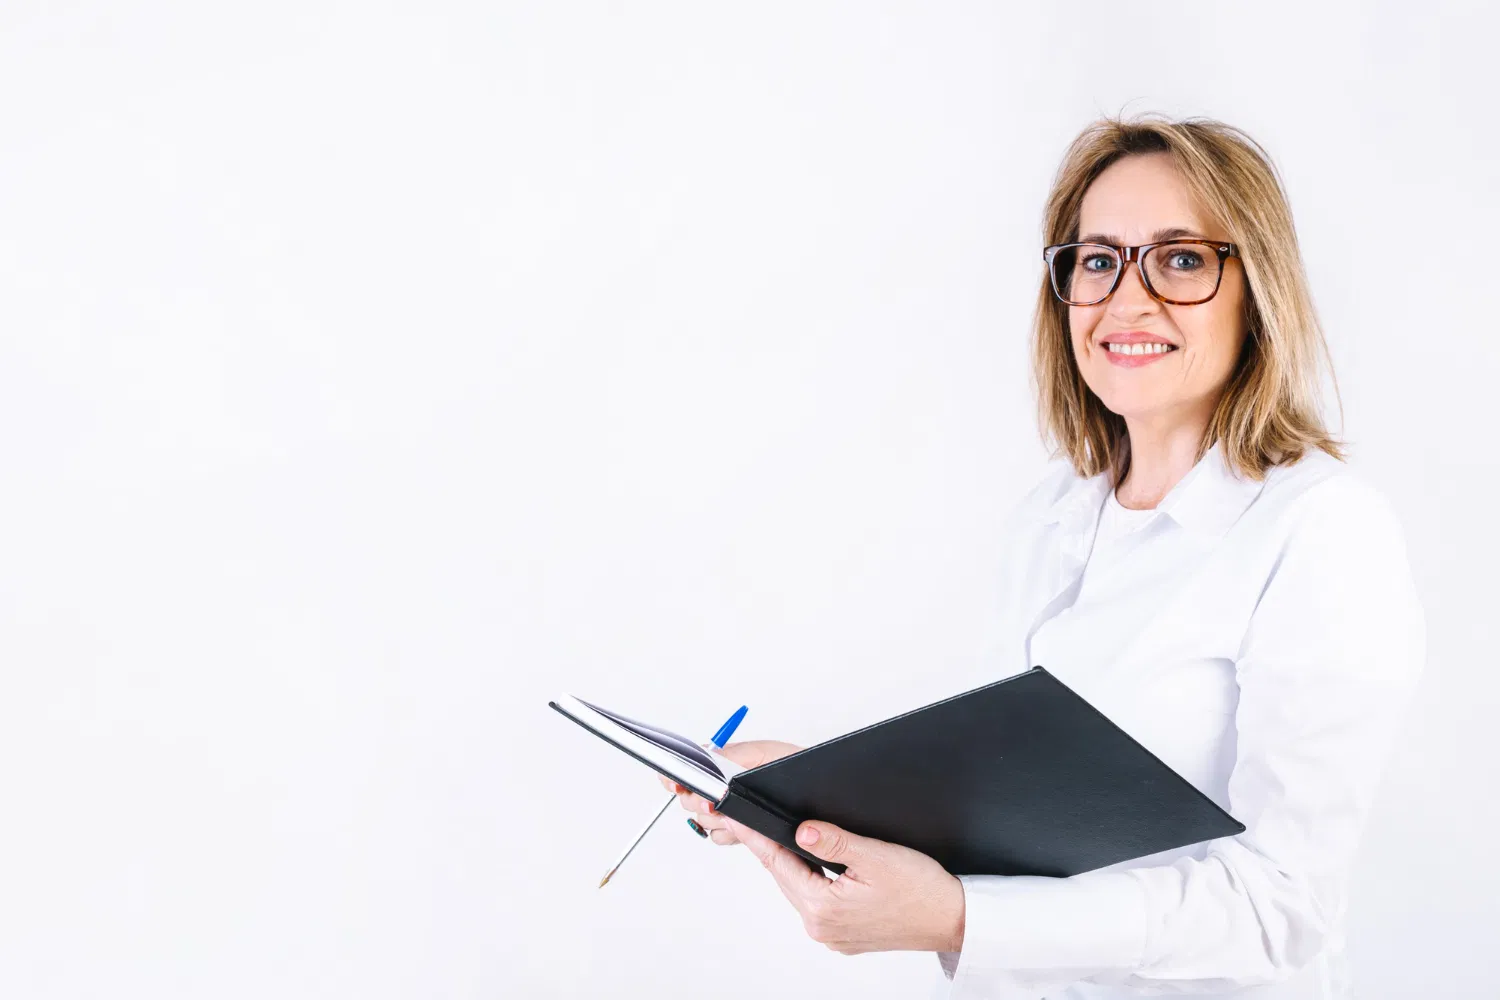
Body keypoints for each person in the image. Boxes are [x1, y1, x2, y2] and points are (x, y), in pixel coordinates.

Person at [658, 114, 1424, 1000]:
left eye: (1180, 259)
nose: (1126, 301)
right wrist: (813, 798)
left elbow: (1280, 910)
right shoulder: (1054, 517)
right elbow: (1028, 828)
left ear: (1257, 290)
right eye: (1098, 261)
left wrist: (957, 918)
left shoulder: (1323, 531)